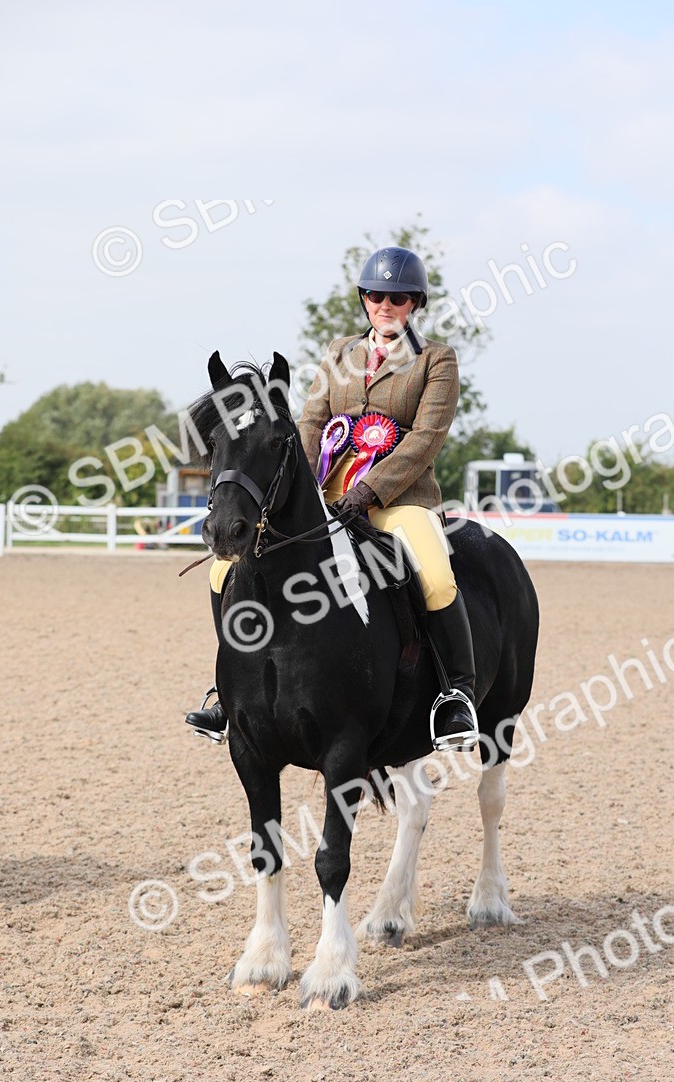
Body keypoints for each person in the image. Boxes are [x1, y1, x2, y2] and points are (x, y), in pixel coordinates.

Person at [186, 246, 478, 752]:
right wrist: (291, 488)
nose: (386, 306)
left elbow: (426, 437)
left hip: (399, 498)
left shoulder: (437, 360)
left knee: (433, 573)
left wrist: (369, 490)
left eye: (399, 297)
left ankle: (455, 696)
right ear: (364, 299)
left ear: (415, 304)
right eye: (376, 296)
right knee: (221, 571)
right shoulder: (339, 353)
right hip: (325, 495)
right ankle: (229, 691)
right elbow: (312, 421)